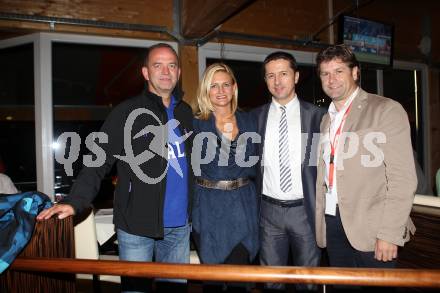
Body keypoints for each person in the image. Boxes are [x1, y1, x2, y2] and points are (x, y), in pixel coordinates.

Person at [37, 43, 194, 293]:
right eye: (158, 65)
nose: (166, 71)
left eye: (172, 65)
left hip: (179, 228)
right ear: (145, 73)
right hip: (136, 226)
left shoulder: (186, 114)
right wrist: (75, 200)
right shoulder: (126, 111)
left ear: (178, 72)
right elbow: (98, 160)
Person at [314, 44, 417, 270]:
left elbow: (403, 179)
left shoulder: (386, 109)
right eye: (325, 73)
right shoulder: (326, 119)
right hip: (333, 222)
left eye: (338, 71)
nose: (331, 79)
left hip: (373, 228)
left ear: (355, 72)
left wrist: (389, 233)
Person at [253, 51, 325, 291]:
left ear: (296, 76)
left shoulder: (318, 117)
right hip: (268, 213)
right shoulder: (254, 118)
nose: (277, 81)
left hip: (305, 211)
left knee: (309, 282)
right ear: (265, 81)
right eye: (271, 76)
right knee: (271, 283)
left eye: (283, 74)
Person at [192, 63, 259, 292]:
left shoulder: (251, 121)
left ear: (234, 88)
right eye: (213, 86)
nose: (220, 91)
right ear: (205, 91)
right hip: (209, 211)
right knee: (212, 283)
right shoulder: (195, 124)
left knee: (240, 283)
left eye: (225, 85)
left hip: (243, 208)